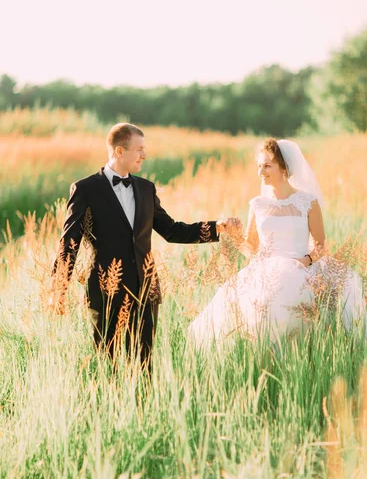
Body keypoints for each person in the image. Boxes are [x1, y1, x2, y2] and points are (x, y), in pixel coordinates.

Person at [50, 122, 237, 366]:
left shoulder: (146, 188)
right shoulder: (85, 189)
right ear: (119, 151)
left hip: (146, 290)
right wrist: (58, 289)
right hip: (106, 292)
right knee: (110, 364)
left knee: (144, 364)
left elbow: (171, 230)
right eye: (139, 149)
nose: (144, 155)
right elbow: (69, 242)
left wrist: (215, 228)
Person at [188, 137, 367, 348]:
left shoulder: (307, 202)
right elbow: (252, 250)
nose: (261, 171)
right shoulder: (257, 204)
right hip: (266, 272)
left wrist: (305, 261)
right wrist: (233, 235)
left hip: (302, 268)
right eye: (259, 166)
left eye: (268, 165)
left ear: (284, 168)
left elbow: (321, 247)